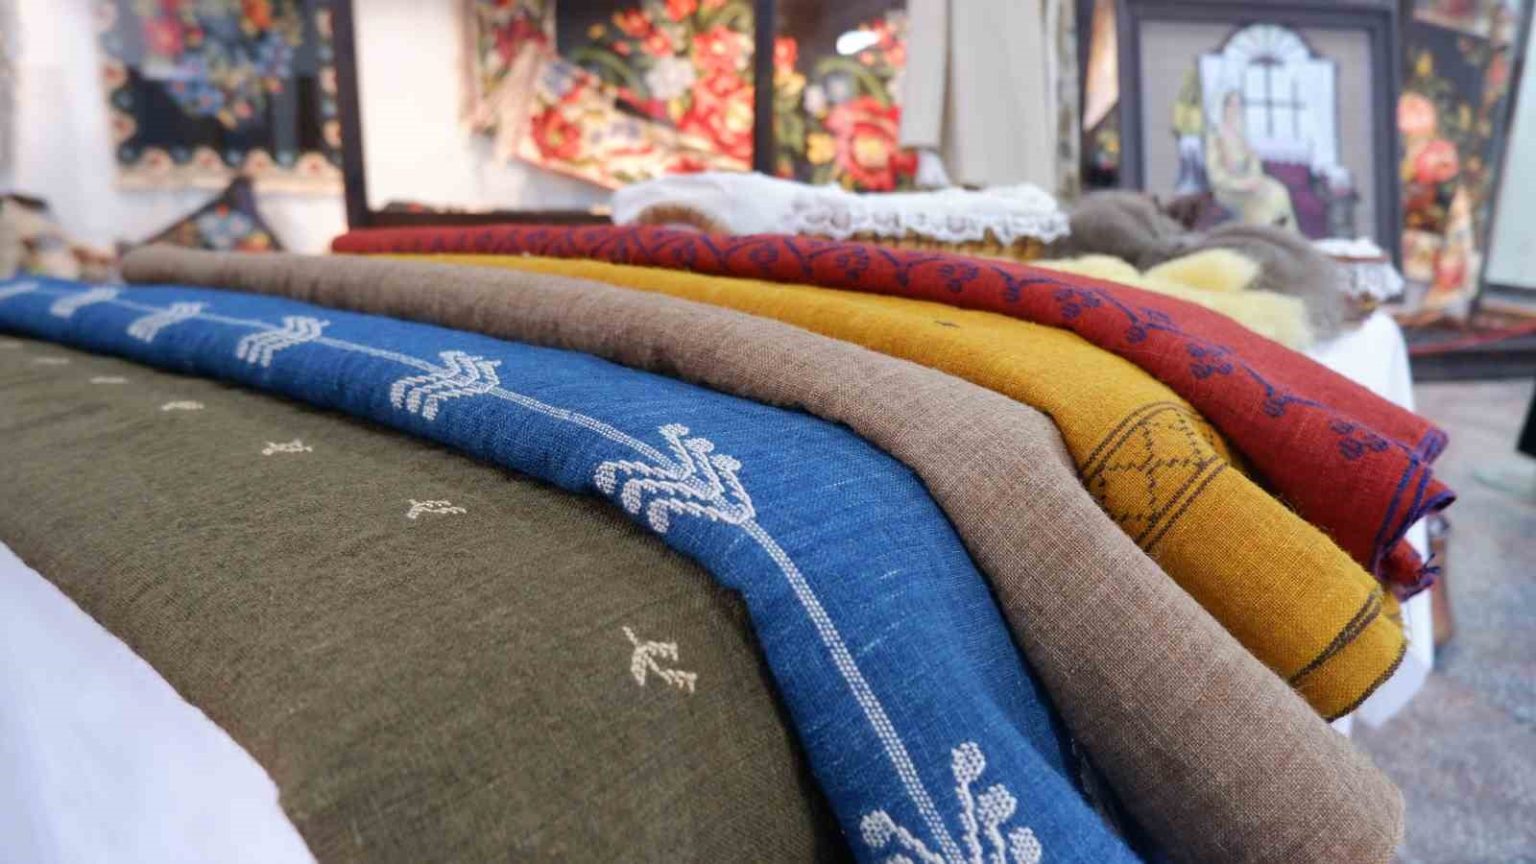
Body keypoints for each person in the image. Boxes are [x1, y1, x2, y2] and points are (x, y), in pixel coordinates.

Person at [1204, 89, 1297, 230]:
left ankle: (1287, 236)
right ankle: (1265, 237)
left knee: (1279, 192)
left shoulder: (1239, 133)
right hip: (1228, 188)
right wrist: (1243, 184)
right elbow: (1216, 176)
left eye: (1238, 105)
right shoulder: (1215, 136)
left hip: (1249, 181)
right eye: (1231, 105)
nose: (1235, 109)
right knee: (1263, 202)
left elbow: (1253, 159)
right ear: (1222, 107)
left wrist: (1255, 178)